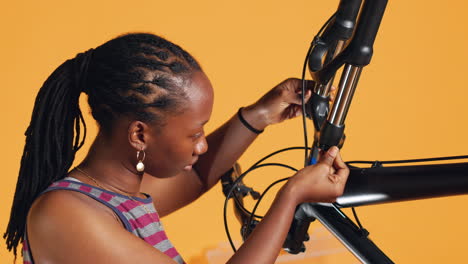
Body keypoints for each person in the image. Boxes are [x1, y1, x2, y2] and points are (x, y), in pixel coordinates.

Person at [4, 33, 349, 264]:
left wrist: (259, 115)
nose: (202, 144)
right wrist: (291, 196)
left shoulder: (115, 199)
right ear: (139, 134)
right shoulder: (66, 215)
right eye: (195, 134)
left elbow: (197, 176)